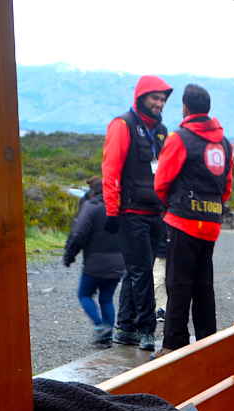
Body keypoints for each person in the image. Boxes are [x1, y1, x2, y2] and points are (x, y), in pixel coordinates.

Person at [152, 84, 234, 357]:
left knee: (178, 283)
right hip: (211, 222)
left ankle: (173, 345)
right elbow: (226, 188)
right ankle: (207, 341)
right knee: (203, 284)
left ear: (185, 108)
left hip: (183, 221)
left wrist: (170, 206)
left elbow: (161, 182)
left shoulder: (180, 138)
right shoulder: (225, 144)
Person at [102, 75, 174, 351]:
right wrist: (112, 211)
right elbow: (111, 169)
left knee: (136, 271)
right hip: (130, 212)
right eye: (155, 98)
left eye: (163, 99)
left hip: (155, 212)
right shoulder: (123, 125)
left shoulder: (161, 131)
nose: (159, 103)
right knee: (142, 271)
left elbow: (165, 173)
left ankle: (125, 328)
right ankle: (146, 330)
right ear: (141, 97)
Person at [63, 177, 124, 345]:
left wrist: (69, 256)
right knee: (106, 298)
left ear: (92, 190)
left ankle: (99, 326)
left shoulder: (91, 207)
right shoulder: (118, 207)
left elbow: (78, 234)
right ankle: (107, 334)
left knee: (84, 294)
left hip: (94, 264)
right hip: (118, 263)